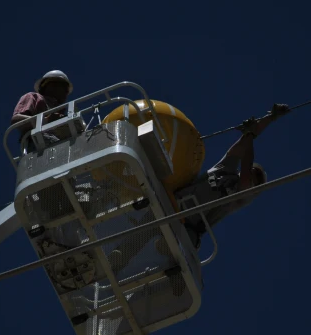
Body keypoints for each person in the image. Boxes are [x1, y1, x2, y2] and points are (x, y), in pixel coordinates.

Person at [107, 103, 291, 276]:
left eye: (256, 179)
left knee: (176, 251)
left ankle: (169, 273)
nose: (252, 176)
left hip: (188, 227)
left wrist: (250, 135)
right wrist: (269, 119)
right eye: (253, 172)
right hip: (171, 204)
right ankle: (115, 260)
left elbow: (246, 161)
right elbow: (240, 148)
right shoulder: (224, 171)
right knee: (142, 232)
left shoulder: (242, 196)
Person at [11, 70, 74, 146]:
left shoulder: (61, 109)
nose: (65, 91)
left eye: (66, 89)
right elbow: (16, 120)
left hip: (60, 145)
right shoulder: (33, 97)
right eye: (62, 86)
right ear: (47, 85)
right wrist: (47, 120)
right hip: (38, 144)